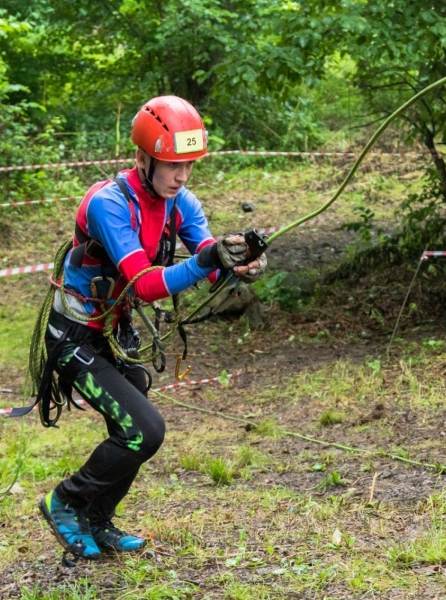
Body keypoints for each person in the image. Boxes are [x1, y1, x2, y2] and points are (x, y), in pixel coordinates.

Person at [34, 96, 268, 560]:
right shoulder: (108, 204)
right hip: (75, 334)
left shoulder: (181, 203)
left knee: (133, 422)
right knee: (145, 429)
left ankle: (98, 520)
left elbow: (210, 264)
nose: (182, 177)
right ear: (143, 159)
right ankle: (66, 501)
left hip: (116, 334)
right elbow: (144, 284)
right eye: (173, 166)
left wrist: (239, 265)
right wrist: (209, 260)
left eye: (189, 166)